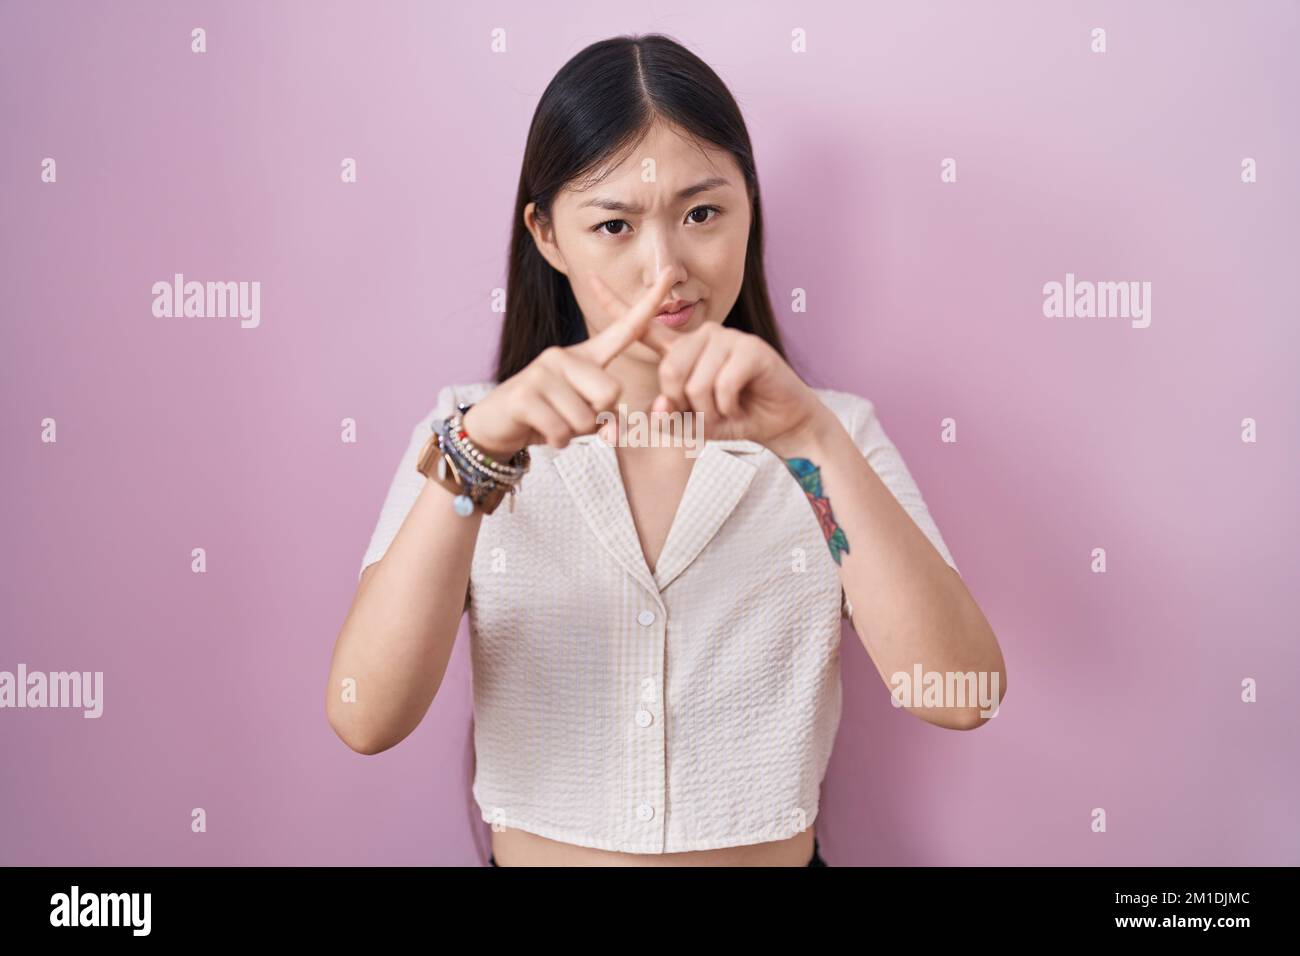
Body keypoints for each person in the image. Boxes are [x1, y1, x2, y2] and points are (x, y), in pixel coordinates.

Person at [327, 33, 1006, 867]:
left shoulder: (833, 434)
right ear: (546, 235)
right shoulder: (467, 433)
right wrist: (477, 454)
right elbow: (366, 717)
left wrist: (807, 440)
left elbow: (963, 693)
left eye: (702, 214)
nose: (667, 268)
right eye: (614, 224)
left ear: (749, 207)